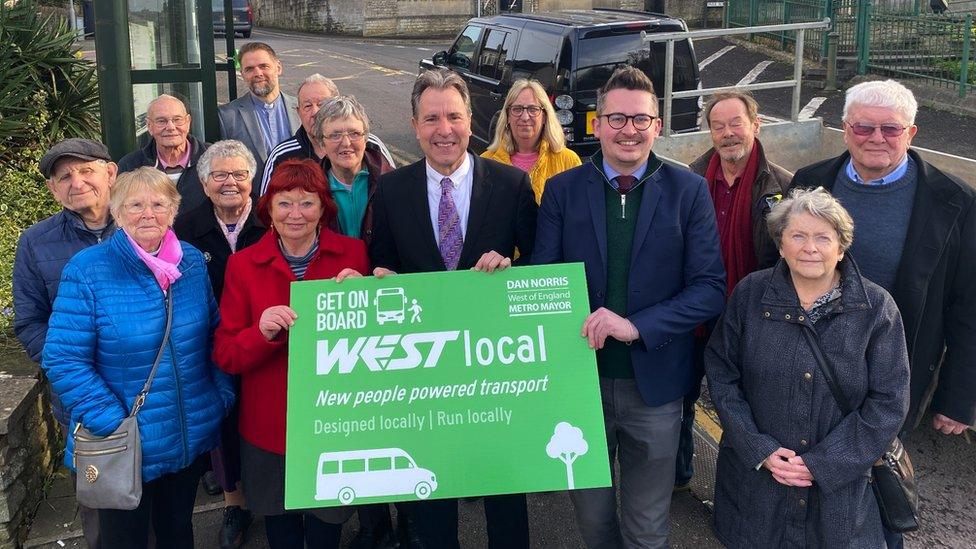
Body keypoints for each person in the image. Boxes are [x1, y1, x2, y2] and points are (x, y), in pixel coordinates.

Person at [532, 66, 726, 548]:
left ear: (658, 126)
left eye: (641, 119)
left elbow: (709, 289)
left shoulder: (688, 191)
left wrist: (636, 326)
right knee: (594, 523)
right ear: (597, 125)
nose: (629, 130)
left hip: (655, 389)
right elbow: (542, 282)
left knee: (647, 528)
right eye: (616, 118)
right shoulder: (562, 191)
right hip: (581, 386)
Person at [790, 79, 976, 548]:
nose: (876, 138)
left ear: (911, 132)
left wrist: (959, 398)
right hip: (808, 367)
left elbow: (969, 306)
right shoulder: (809, 182)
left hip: (894, 371)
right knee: (805, 477)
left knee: (877, 483)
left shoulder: (955, 201)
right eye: (864, 127)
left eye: (890, 128)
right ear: (845, 129)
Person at [369, 68, 537, 549]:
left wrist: (511, 267)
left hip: (493, 366)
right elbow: (383, 257)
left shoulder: (510, 185)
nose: (444, 129)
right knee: (431, 496)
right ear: (415, 124)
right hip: (423, 372)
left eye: (454, 117)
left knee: (503, 489)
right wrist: (383, 275)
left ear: (471, 121)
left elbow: (542, 264)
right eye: (432, 118)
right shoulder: (393, 189)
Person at [704, 187, 910, 547]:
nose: (809, 247)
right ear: (781, 245)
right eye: (797, 235)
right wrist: (758, 448)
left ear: (842, 247)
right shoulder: (750, 295)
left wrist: (824, 463)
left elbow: (889, 401)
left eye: (822, 237)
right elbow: (722, 375)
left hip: (840, 496)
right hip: (758, 488)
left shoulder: (877, 308)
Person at [42, 167, 235, 548]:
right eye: (135, 205)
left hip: (185, 435)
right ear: (116, 211)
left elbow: (214, 332)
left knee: (178, 532)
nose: (148, 214)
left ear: (174, 210)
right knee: (125, 541)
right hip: (126, 443)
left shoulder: (191, 262)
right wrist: (111, 421)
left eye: (159, 204)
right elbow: (63, 358)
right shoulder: (88, 270)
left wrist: (219, 396)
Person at [213, 159, 369, 549]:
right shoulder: (242, 265)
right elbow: (226, 354)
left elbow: (373, 347)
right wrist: (260, 333)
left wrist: (367, 298)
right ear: (269, 209)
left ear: (323, 209)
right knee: (280, 530)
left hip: (334, 422)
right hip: (269, 426)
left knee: (325, 530)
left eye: (307, 203)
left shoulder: (353, 256)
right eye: (284, 203)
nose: (295, 214)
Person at [677, 90, 793, 490]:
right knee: (681, 399)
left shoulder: (784, 188)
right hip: (693, 315)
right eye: (718, 126)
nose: (728, 134)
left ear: (755, 124)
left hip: (751, 321)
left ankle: (741, 493)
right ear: (709, 132)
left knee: (746, 409)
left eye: (735, 123)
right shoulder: (687, 180)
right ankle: (678, 476)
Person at [13, 138, 118, 549]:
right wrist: (77, 376)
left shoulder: (145, 223)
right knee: (103, 512)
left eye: (86, 170)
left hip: (148, 392)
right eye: (64, 177)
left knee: (161, 505)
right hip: (82, 402)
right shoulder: (36, 243)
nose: (77, 182)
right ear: (54, 190)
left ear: (110, 173)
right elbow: (31, 323)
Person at [172, 140, 265, 549]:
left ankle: (279, 494)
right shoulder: (186, 229)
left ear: (252, 179)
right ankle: (235, 505)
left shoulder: (273, 217)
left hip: (269, 339)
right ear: (204, 183)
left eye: (240, 175)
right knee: (223, 425)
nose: (231, 183)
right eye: (220, 175)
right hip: (214, 345)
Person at [260, 74, 395, 196]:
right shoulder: (281, 156)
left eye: (322, 104)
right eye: (307, 106)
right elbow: (264, 211)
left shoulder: (371, 145)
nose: (315, 112)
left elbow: (396, 190)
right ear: (298, 112)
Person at [218, 42, 301, 193]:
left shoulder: (301, 109)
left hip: (299, 204)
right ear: (242, 75)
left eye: (264, 66)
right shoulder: (226, 116)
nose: (258, 73)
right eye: (249, 69)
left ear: (278, 68)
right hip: (254, 208)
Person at [481, 78, 581, 203]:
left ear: (544, 116)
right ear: (507, 116)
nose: (525, 117)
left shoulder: (569, 162)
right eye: (517, 109)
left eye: (533, 109)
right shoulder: (485, 163)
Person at [313, 95, 394, 244]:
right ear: (321, 143)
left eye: (354, 133)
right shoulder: (310, 189)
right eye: (335, 135)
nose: (346, 142)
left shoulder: (392, 183)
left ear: (365, 138)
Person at [119, 94, 210, 214]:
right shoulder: (130, 166)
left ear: (188, 122)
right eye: (161, 121)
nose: (171, 127)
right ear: (149, 126)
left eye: (177, 120)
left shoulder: (213, 158)